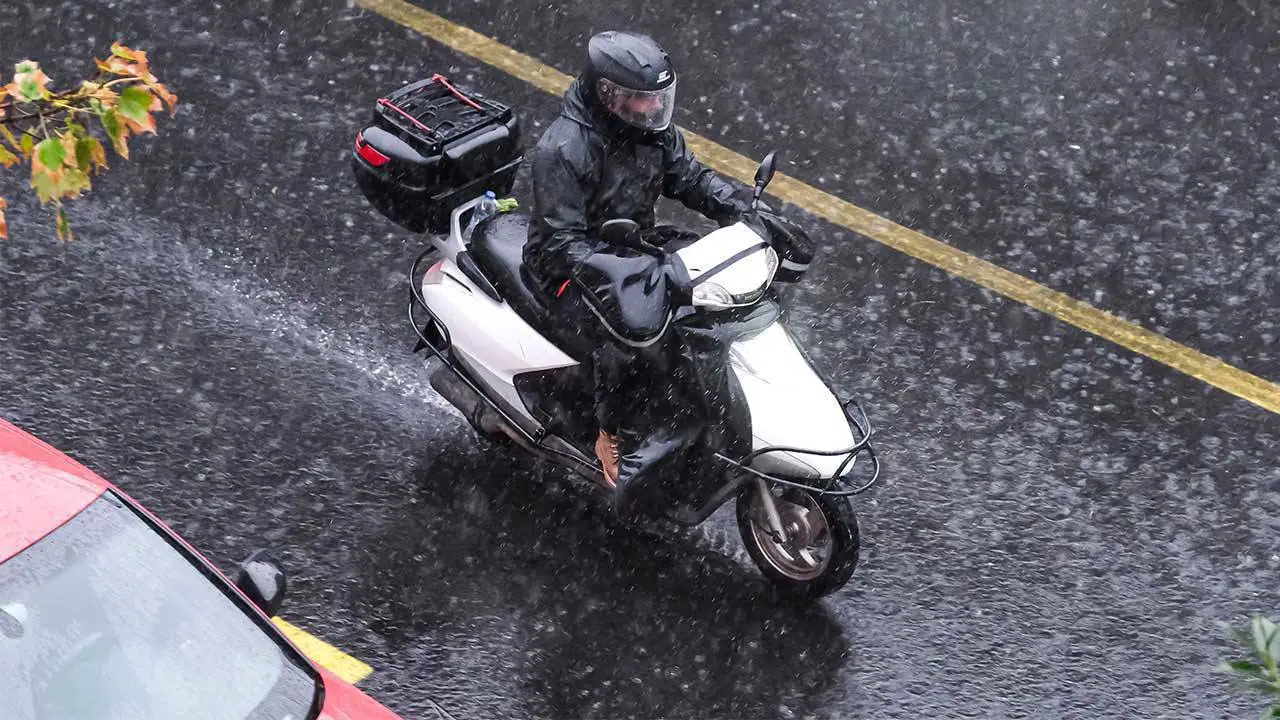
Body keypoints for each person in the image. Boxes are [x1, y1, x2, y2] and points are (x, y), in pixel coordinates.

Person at [523, 30, 762, 489]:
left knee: (709, 287)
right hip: (567, 269)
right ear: (607, 94)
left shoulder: (648, 131)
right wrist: (619, 269)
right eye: (640, 99)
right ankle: (607, 432)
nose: (652, 109)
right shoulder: (564, 150)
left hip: (631, 246)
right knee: (632, 335)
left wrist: (747, 212)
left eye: (657, 99)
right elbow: (560, 244)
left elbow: (689, 178)